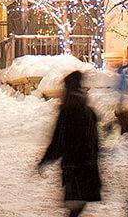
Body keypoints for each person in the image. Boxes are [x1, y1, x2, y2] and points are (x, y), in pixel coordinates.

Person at [38, 71, 102, 217]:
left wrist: (46, 159)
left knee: (75, 205)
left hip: (73, 165)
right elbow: (94, 140)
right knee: (78, 204)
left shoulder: (68, 110)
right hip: (87, 165)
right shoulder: (86, 109)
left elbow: (58, 140)